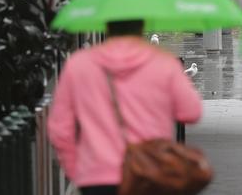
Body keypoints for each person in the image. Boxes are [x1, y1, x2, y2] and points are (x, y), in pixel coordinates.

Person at [47, 20, 203, 195]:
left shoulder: (79, 64)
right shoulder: (162, 63)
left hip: (97, 175)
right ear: (141, 28)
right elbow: (191, 111)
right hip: (147, 170)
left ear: (107, 28)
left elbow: (59, 127)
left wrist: (74, 168)